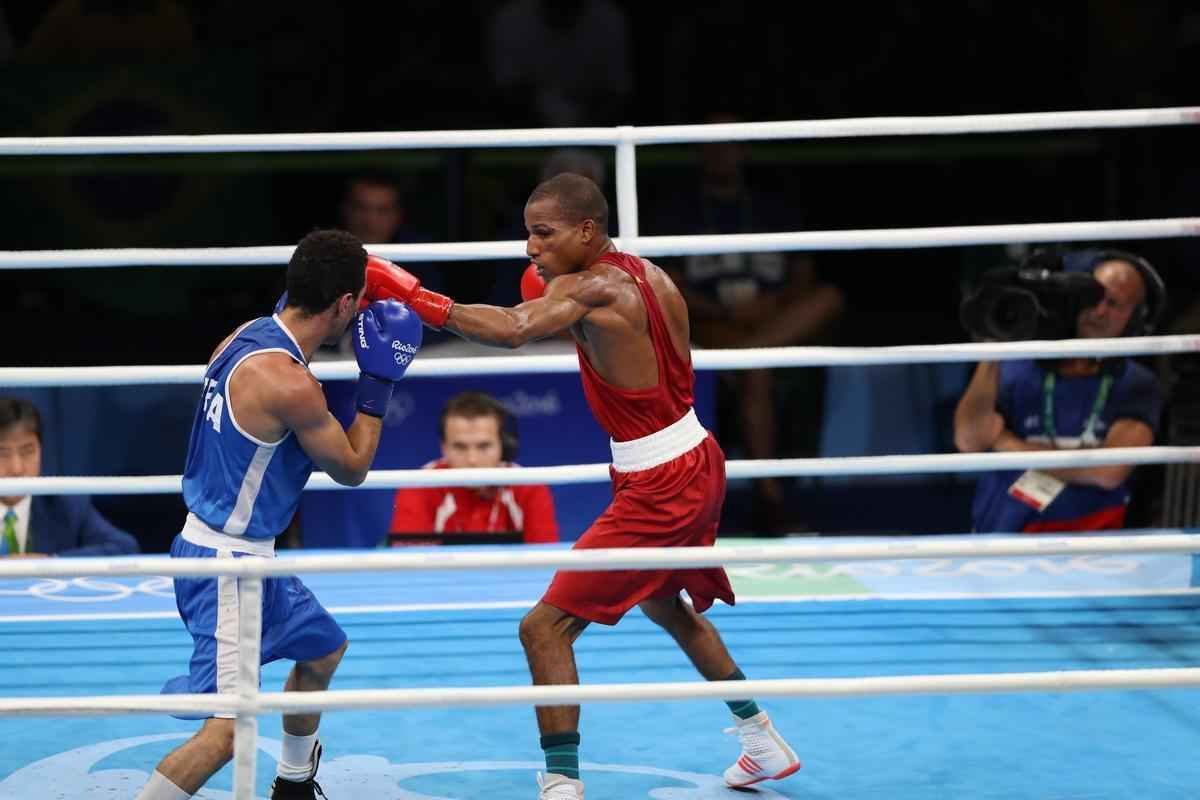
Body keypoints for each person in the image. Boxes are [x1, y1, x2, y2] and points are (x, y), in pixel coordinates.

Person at [358, 174, 800, 798]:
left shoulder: (595, 286)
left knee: (543, 628)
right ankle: (761, 740)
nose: (530, 248)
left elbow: (513, 330)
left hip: (662, 481)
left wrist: (414, 295)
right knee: (660, 601)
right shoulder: (644, 272)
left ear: (586, 231)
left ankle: (561, 784)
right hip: (689, 457)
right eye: (527, 233)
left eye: (544, 234)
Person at [134, 230, 422, 800]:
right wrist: (379, 380)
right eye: (359, 299)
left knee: (322, 650)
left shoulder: (244, 336)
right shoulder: (291, 385)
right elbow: (352, 467)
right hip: (225, 564)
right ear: (343, 304)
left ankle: (293, 786)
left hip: (243, 553)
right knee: (224, 737)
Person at [650, 111, 844, 534]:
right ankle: (770, 500)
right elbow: (665, 285)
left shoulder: (774, 206)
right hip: (709, 323)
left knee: (827, 299)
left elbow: (804, 277)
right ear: (701, 151)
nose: (722, 153)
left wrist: (773, 303)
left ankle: (753, 350)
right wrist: (721, 310)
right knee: (750, 362)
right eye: (713, 143)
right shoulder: (678, 211)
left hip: (772, 320)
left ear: (745, 148)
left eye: (730, 142)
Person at [954, 250, 1166, 532]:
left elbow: (1108, 471)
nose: (1100, 311)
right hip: (1002, 539)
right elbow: (969, 441)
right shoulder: (1015, 365)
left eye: (1114, 304)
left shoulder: (1136, 383)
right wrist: (994, 349)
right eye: (1093, 298)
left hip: (1090, 551)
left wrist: (1006, 444)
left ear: (1136, 318)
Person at [389, 391, 559, 545]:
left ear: (503, 446)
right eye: (460, 447)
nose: (472, 459)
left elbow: (546, 568)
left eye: (484, 446)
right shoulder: (418, 486)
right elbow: (410, 570)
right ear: (444, 447)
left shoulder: (529, 487)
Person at [0, 395, 139, 557]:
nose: (17, 468)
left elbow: (125, 548)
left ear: (41, 449)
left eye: (27, 451)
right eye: (2, 453)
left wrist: (51, 563)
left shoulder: (65, 503)